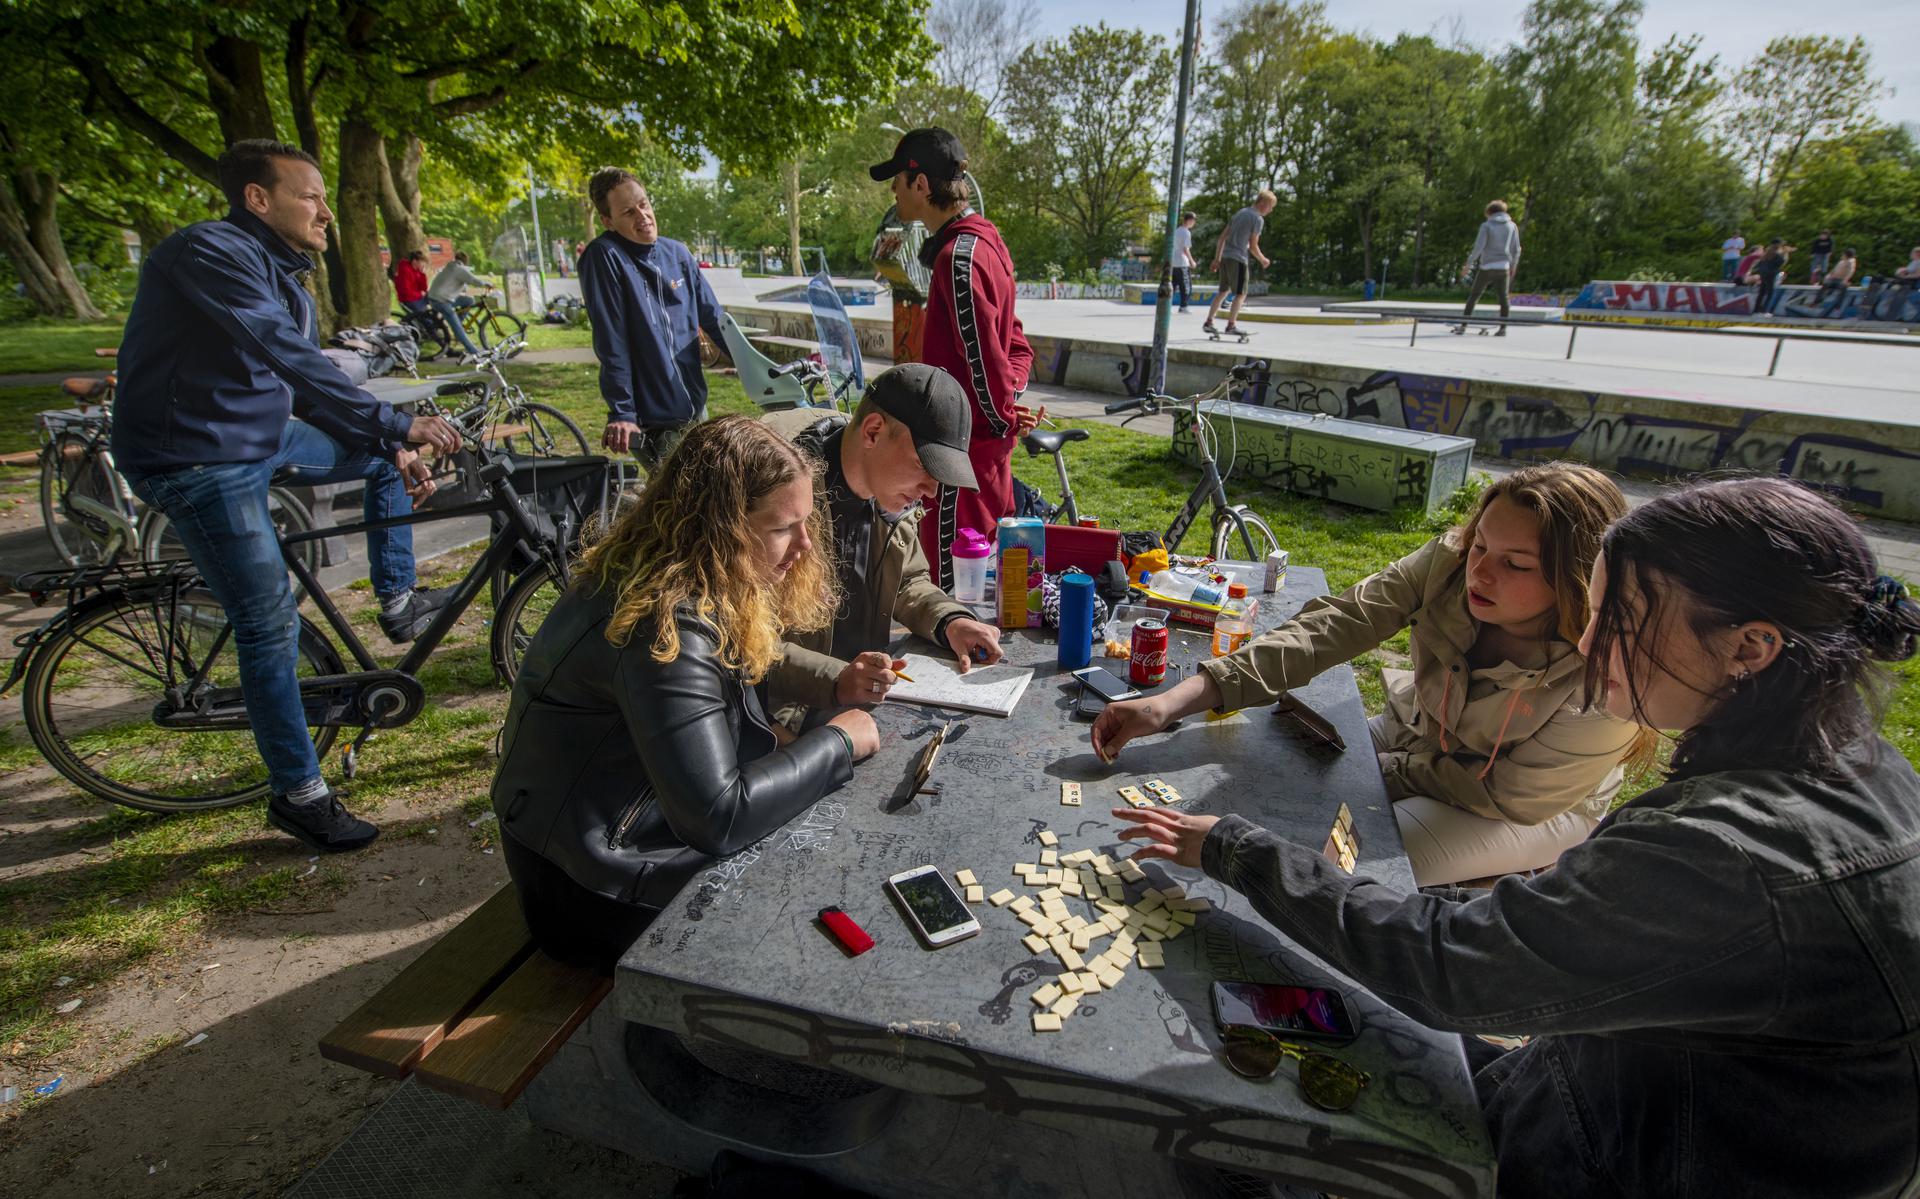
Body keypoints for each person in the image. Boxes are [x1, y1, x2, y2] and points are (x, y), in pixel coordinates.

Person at [1113, 476, 1920, 1196]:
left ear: (1750, 646)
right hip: (1617, 1093)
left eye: (1618, 620)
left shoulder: (1726, 859)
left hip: (1607, 1161)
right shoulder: (1860, 764)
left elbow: (1449, 966)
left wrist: (1238, 849)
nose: (1590, 640)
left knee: (1221, 1142)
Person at [112, 138, 463, 853]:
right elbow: (282, 351)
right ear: (257, 198)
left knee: (379, 463)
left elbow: (298, 381)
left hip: (254, 435)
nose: (328, 212)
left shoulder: (280, 269)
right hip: (195, 455)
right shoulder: (209, 253)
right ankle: (299, 793)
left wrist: (387, 440)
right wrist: (395, 418)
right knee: (268, 619)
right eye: (310, 196)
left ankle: (397, 600)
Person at [1092, 463, 1646, 886]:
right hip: (1420, 737)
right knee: (1277, 777)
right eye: (1480, 545)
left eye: (1515, 564)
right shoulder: (1449, 563)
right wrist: (1172, 702)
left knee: (1332, 867)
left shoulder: (1609, 679)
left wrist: (1384, 768)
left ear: (1579, 579)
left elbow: (1512, 795)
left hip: (1519, 806)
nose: (1479, 571)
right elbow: (1334, 626)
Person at [492, 416, 879, 971]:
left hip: (586, 845)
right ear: (719, 527)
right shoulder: (663, 625)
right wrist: (839, 742)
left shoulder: (662, 572)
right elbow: (719, 815)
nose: (805, 544)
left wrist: (826, 697)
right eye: (781, 528)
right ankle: (679, 1048)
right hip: (589, 890)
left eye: (806, 520)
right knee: (815, 893)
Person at [763, 363, 1007, 720]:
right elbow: (736, 632)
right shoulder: (772, 495)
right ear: (874, 432)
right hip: (780, 720)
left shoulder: (889, 494)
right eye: (926, 465)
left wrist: (950, 621)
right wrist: (836, 678)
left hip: (864, 702)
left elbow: (908, 580)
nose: (932, 491)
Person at [868, 128, 1034, 591]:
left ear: (921, 185)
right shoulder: (987, 241)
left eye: (897, 181)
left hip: (961, 457)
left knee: (953, 584)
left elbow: (983, 360)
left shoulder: (958, 257)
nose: (894, 192)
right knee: (987, 581)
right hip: (981, 453)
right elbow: (1014, 346)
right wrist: (1009, 405)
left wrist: (1000, 420)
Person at [578, 166, 725, 472]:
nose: (642, 216)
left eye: (643, 204)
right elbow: (611, 339)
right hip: (654, 419)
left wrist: (763, 369)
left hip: (695, 407)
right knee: (685, 509)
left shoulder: (678, 254)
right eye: (628, 212)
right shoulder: (605, 256)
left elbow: (715, 318)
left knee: (707, 500)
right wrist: (622, 412)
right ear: (608, 221)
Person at [1203, 190, 1275, 338]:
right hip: (1238, 258)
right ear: (1263, 203)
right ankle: (1231, 325)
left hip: (1226, 257)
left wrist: (1217, 259)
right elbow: (1253, 245)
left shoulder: (1239, 213)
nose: (1271, 210)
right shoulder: (1257, 219)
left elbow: (1222, 238)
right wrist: (1263, 259)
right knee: (1241, 293)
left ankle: (1209, 322)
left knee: (1223, 291)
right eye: (1270, 206)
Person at [1459, 200, 1522, 335]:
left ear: (1490, 212)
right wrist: (1513, 266)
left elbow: (1478, 247)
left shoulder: (1486, 225)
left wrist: (1468, 265)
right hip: (1503, 267)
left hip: (1486, 267)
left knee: (1474, 295)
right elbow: (1516, 249)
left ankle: (1463, 325)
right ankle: (1503, 329)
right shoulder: (1512, 226)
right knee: (1503, 297)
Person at [427, 250, 489, 356]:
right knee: (458, 328)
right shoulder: (459, 269)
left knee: (469, 300)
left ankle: (458, 321)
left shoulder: (450, 267)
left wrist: (473, 291)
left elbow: (464, 285)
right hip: (441, 301)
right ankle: (474, 352)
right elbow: (473, 280)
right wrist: (487, 284)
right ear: (465, 261)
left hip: (437, 297)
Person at [1751, 239, 1791, 316]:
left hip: (1763, 274)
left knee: (1762, 293)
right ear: (1778, 245)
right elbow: (1783, 263)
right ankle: (1764, 311)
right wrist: (1786, 253)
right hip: (1771, 275)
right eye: (1781, 244)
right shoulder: (1776, 254)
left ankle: (1756, 311)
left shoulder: (1766, 253)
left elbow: (1760, 265)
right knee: (1770, 294)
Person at [1817, 247, 1857, 318]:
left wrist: (1845, 280)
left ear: (1847, 255)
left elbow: (1851, 272)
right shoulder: (1841, 262)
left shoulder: (1851, 262)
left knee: (1843, 287)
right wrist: (1828, 276)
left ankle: (1838, 305)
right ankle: (1818, 301)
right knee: (1826, 284)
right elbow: (1833, 270)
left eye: (1843, 254)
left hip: (1841, 280)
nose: (1842, 255)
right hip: (1834, 279)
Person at [1171, 211, 1197, 314]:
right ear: (1190, 220)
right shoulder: (1186, 232)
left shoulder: (1176, 231)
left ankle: (1167, 305)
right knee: (1186, 286)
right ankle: (1183, 306)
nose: (1193, 224)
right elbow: (1186, 249)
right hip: (1182, 263)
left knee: (1172, 285)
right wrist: (1192, 261)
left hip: (1173, 263)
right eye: (1193, 221)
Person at [391, 249, 429, 316]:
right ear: (414, 261)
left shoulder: (417, 271)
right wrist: (420, 294)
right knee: (427, 320)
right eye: (422, 262)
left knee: (437, 299)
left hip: (417, 297)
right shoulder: (405, 271)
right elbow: (406, 292)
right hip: (409, 300)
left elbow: (424, 288)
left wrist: (423, 274)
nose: (424, 264)